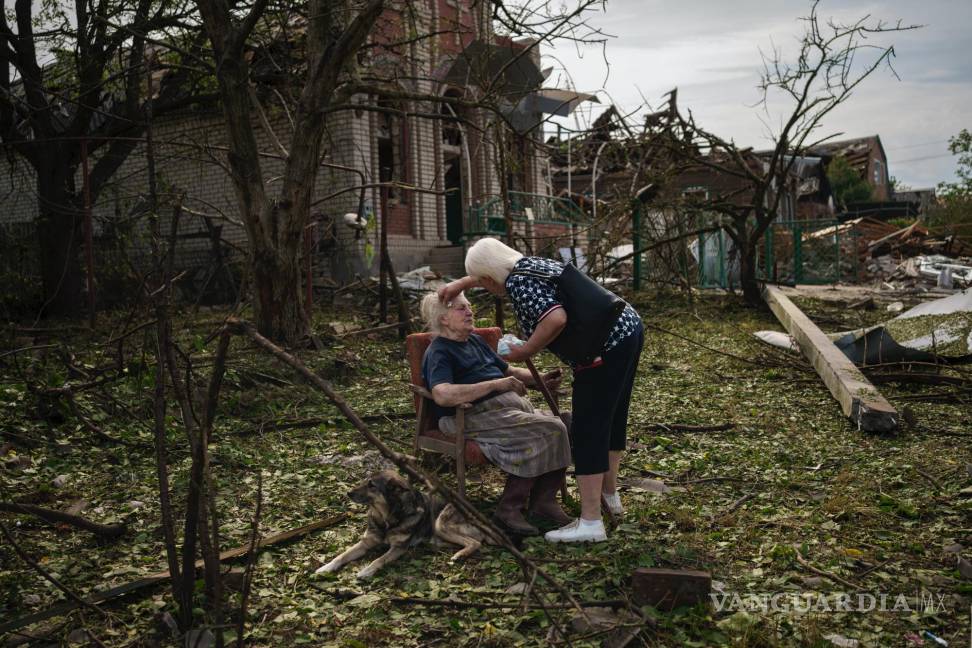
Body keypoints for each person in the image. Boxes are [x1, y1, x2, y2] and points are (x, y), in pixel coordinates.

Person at [438, 238, 643, 543]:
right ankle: (608, 497)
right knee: (611, 421)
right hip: (626, 329)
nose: (482, 293)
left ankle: (590, 523)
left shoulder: (518, 284)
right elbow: (493, 273)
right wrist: (464, 281)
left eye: (481, 283)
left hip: (601, 348)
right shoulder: (530, 266)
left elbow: (555, 318)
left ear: (489, 278)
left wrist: (526, 349)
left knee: (588, 429)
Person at [419, 291, 572, 536]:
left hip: (508, 411)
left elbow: (507, 369)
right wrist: (495, 385)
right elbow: (443, 394)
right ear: (443, 319)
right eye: (461, 308)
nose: (470, 312)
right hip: (471, 416)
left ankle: (543, 502)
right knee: (550, 428)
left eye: (469, 306)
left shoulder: (475, 341)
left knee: (568, 421)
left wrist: (540, 379)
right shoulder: (439, 351)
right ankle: (510, 507)